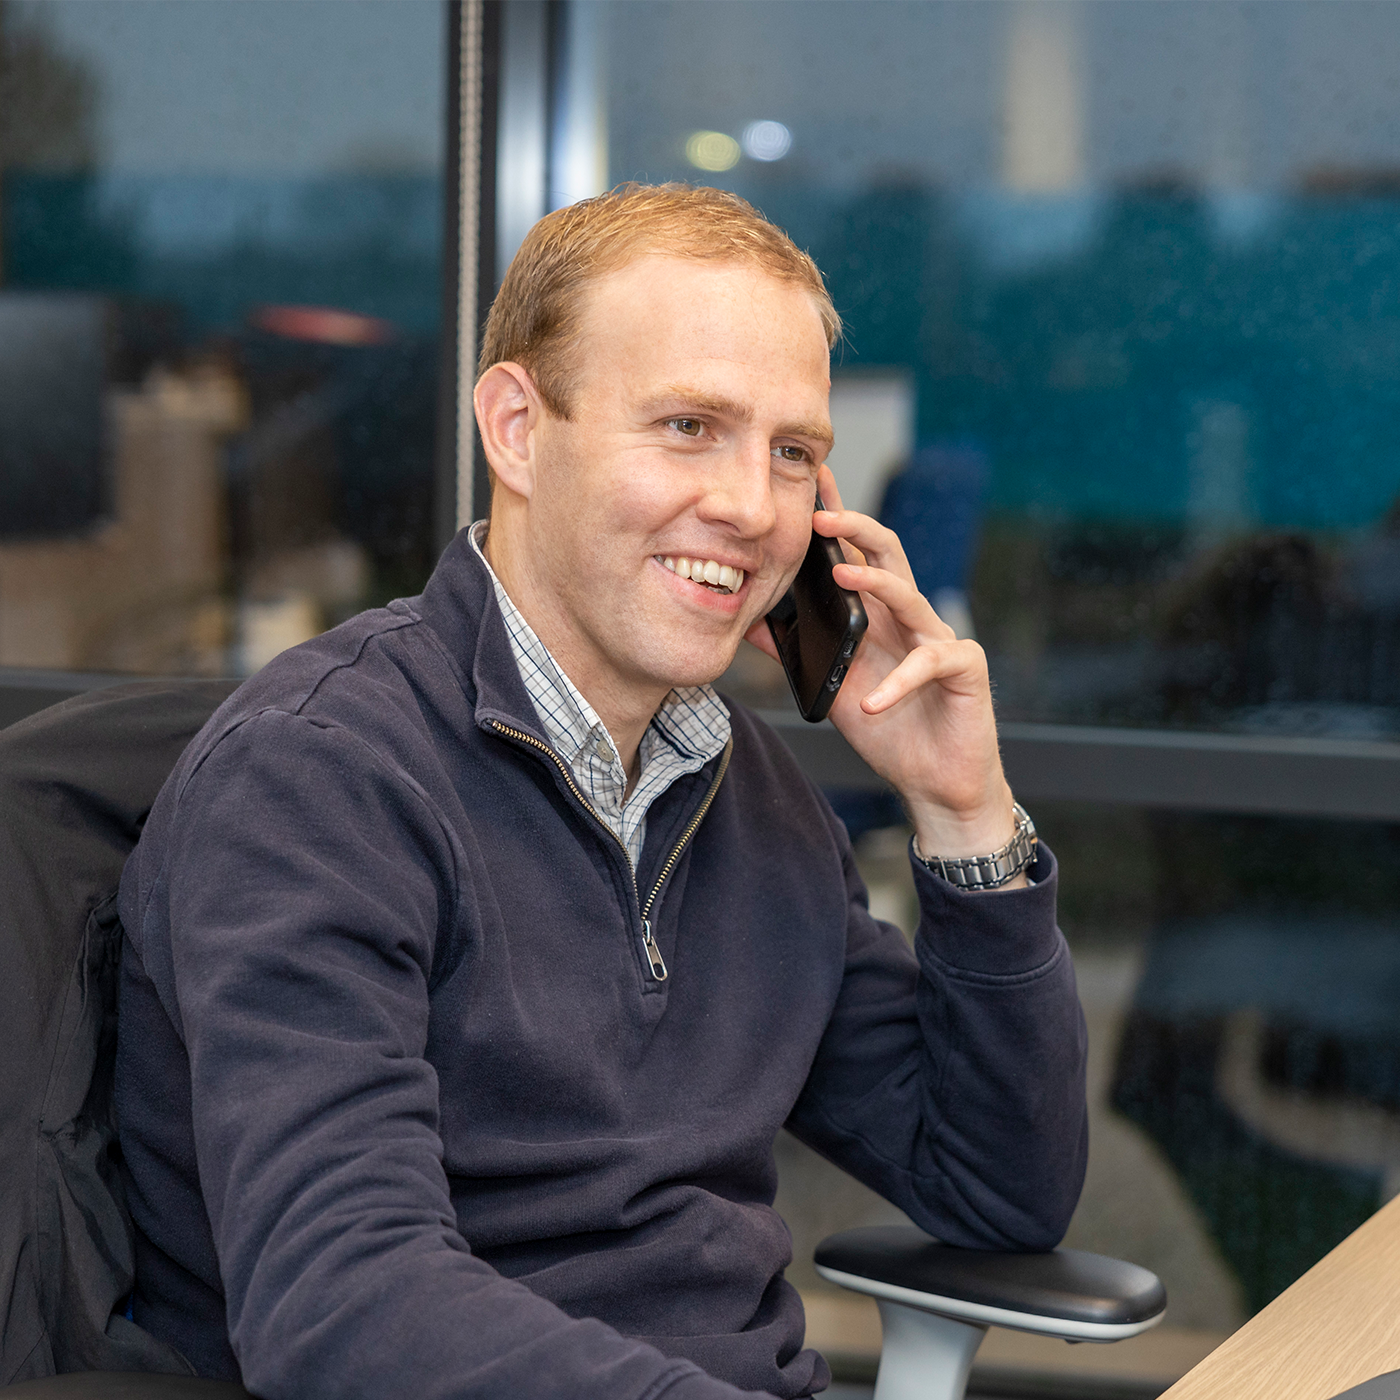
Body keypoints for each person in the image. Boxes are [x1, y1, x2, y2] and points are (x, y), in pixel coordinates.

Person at [116, 183, 1088, 1400]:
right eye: (688, 426)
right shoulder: (317, 778)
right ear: (517, 428)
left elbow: (997, 1187)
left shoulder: (750, 796)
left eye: (793, 452)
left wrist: (963, 814)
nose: (747, 505)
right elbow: (341, 1301)